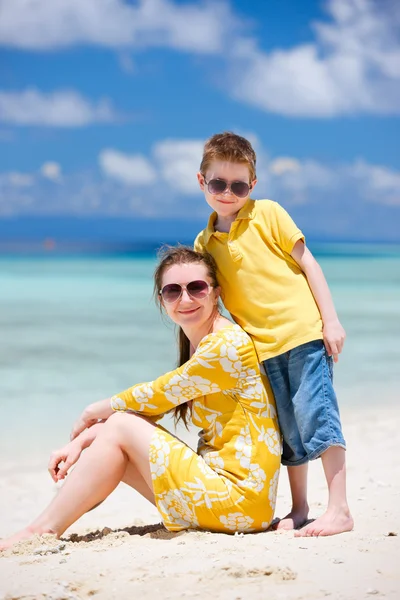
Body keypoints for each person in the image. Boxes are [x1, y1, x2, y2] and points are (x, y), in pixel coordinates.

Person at [0, 247, 281, 551]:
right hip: (235, 500)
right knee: (117, 440)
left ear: (216, 293)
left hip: (239, 502)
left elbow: (157, 395)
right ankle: (46, 525)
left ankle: (41, 529)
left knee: (118, 424)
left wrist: (92, 411)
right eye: (173, 291)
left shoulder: (226, 344)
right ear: (162, 300)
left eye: (196, 288)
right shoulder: (202, 344)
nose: (185, 299)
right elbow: (146, 413)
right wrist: (81, 442)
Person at [194, 132, 354, 537]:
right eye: (218, 184)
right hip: (259, 350)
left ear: (253, 185)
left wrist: (330, 321)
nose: (228, 193)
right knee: (287, 430)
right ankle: (300, 507)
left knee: (317, 416)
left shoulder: (269, 213)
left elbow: (308, 263)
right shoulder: (204, 243)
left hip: (302, 334)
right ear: (202, 182)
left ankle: (340, 509)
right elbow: (213, 304)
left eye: (238, 185)